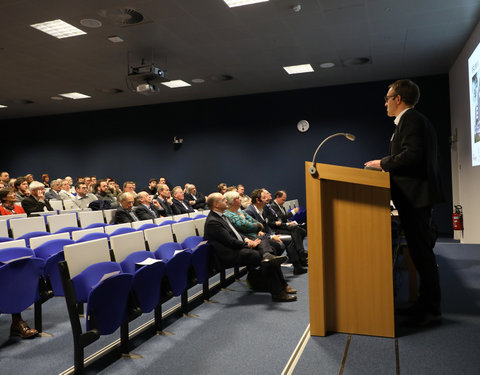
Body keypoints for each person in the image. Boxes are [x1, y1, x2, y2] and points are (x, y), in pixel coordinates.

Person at [364, 79, 444, 327]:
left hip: (415, 198)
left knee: (422, 255)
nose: (386, 103)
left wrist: (382, 163)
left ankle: (431, 309)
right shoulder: (412, 121)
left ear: (398, 99)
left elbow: (411, 156)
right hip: (414, 197)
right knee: (420, 255)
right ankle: (424, 303)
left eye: (388, 98)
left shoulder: (410, 120)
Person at [204, 193, 296, 302]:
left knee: (265, 246)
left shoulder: (221, 215)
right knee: (263, 258)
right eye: (223, 200)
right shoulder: (213, 221)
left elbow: (235, 233)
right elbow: (229, 241)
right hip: (229, 254)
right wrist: (247, 244)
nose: (226, 201)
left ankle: (275, 271)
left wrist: (246, 239)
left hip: (237, 246)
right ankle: (278, 292)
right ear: (216, 204)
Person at [245, 189, 307, 274]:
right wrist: (272, 236)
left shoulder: (262, 210)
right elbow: (255, 231)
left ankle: (297, 265)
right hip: (259, 238)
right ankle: (296, 264)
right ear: (257, 200)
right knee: (289, 238)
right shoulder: (250, 211)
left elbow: (266, 226)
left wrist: (273, 234)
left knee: (294, 234)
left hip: (269, 234)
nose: (267, 199)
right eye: (264, 197)